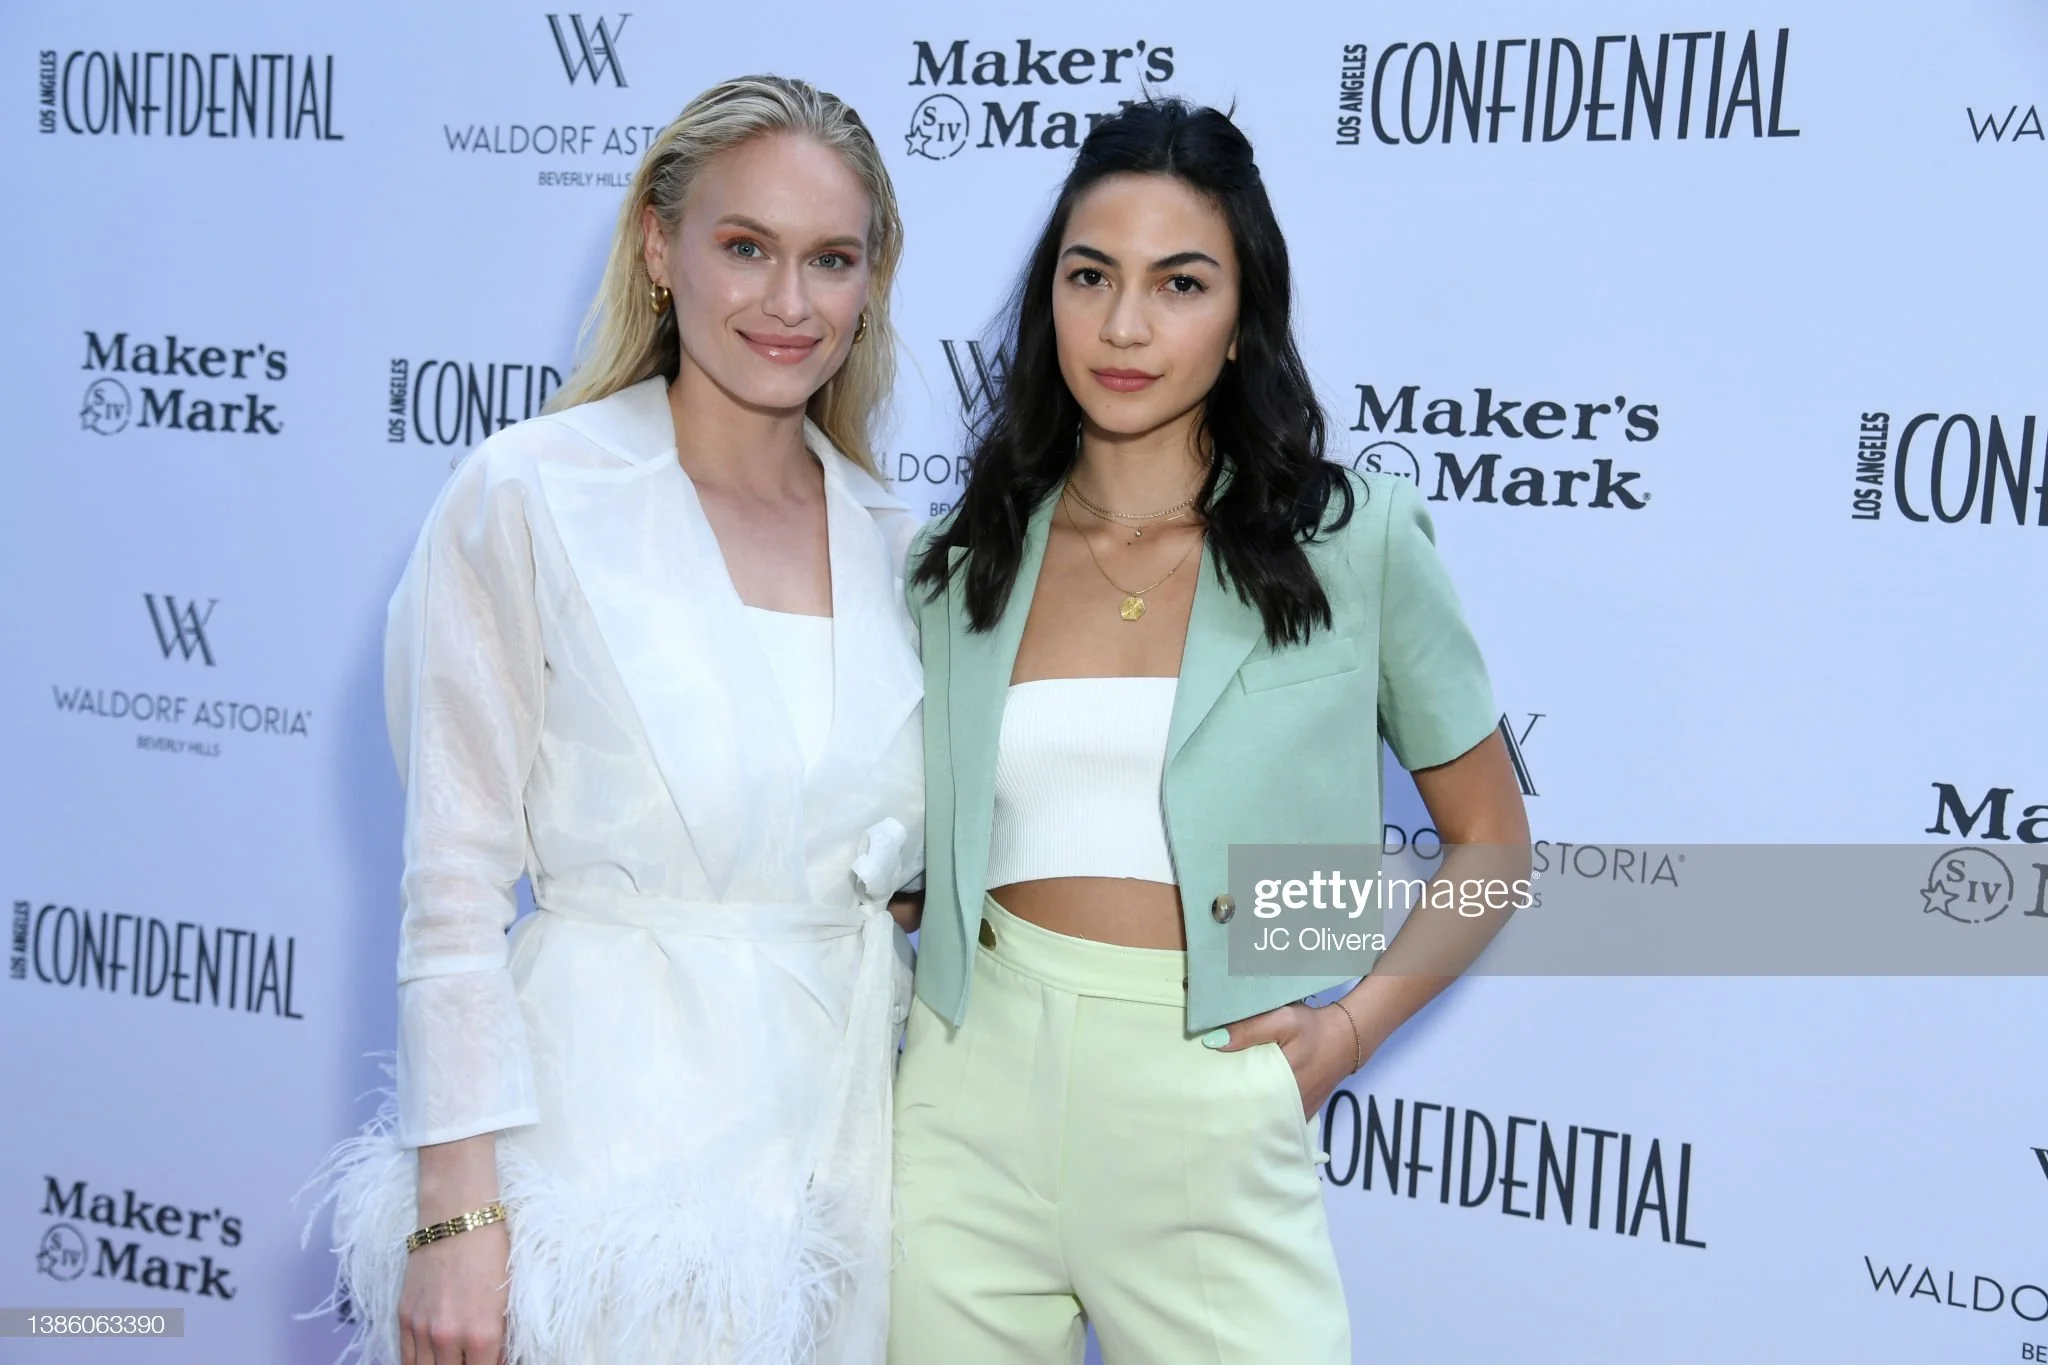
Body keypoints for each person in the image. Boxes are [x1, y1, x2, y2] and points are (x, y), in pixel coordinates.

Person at [889, 99, 1532, 1364]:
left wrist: (1344, 1033)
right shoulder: (956, 561)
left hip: (1208, 1100)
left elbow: (1492, 844)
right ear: (1049, 302)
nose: (1124, 326)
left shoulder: (1356, 540)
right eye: (1090, 277)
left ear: (1241, 319)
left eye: (1179, 283)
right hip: (963, 1099)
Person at [306, 75, 925, 1365]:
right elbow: (453, 890)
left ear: (872, 281)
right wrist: (455, 1217)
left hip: (847, 1161)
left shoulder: (898, 546)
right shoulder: (531, 495)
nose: (788, 303)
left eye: (831, 260)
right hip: (598, 1166)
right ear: (659, 245)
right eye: (744, 248)